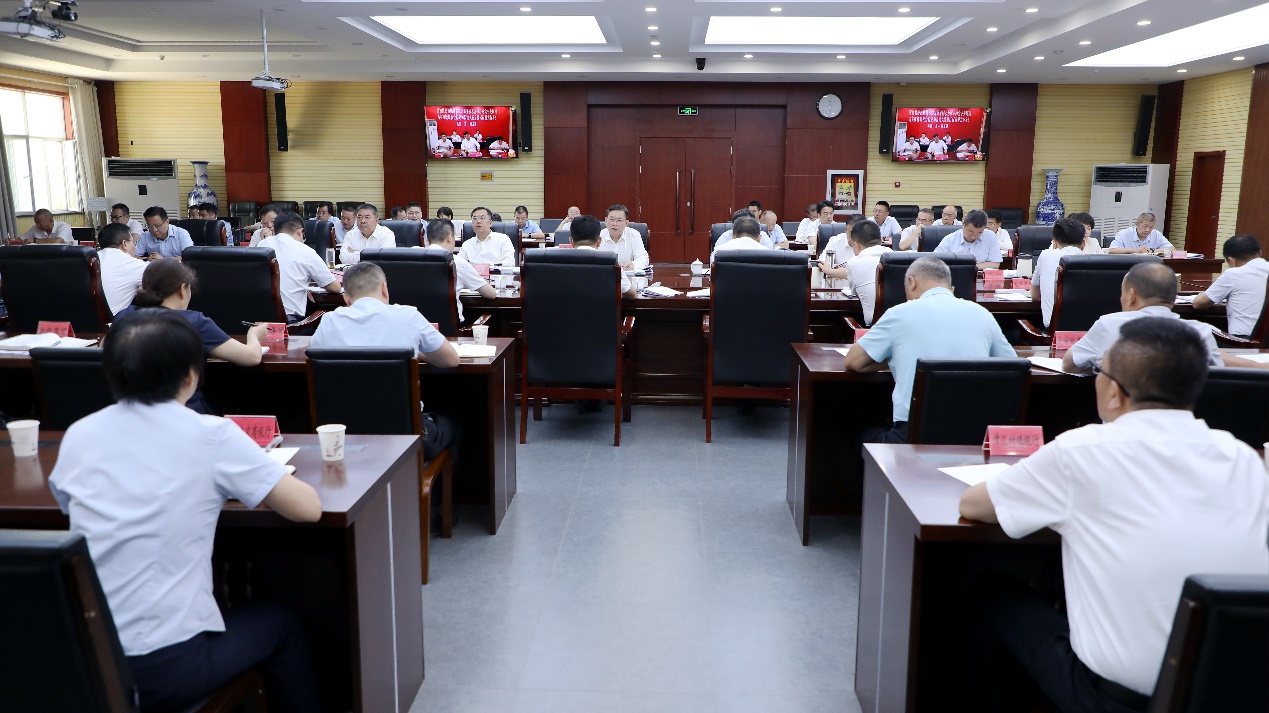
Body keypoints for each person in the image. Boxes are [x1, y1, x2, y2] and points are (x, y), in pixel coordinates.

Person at [958, 317, 1269, 713]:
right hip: (1233, 693)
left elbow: (973, 505)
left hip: (1116, 701)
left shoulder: (1080, 451)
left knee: (993, 592)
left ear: (1115, 393)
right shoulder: (1242, 457)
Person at [50, 308, 323, 713]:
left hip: (88, 660)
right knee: (280, 624)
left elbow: (68, 507)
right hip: (163, 668)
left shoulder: (79, 434)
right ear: (191, 376)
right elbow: (308, 509)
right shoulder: (210, 434)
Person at [845, 257, 1014, 443]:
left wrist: (895, 357)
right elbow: (1011, 368)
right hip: (975, 436)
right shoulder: (983, 314)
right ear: (951, 289)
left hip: (913, 436)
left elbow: (854, 362)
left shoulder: (899, 313)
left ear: (911, 282)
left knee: (855, 433)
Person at [309, 262, 461, 459]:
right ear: (384, 288)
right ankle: (424, 477)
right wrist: (417, 352)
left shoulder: (328, 322)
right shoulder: (408, 316)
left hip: (344, 435)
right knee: (454, 425)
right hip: (405, 435)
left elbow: (312, 353)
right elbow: (451, 359)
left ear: (346, 298)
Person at [115, 260, 269, 413]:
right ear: (183, 289)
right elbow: (252, 357)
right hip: (188, 411)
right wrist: (254, 335)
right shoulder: (194, 322)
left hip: (132, 411)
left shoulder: (123, 317)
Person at [1062, 262, 1233, 373]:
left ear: (1132, 296)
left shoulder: (1109, 325)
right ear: (1173, 298)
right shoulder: (1201, 332)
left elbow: (1069, 364)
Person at [257, 212, 342, 322]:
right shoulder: (306, 251)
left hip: (259, 320)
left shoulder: (262, 245)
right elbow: (335, 287)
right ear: (300, 232)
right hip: (290, 322)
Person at [1192, 234, 1268, 337]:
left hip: (1242, 341)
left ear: (1232, 260)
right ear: (1260, 252)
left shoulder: (1233, 274)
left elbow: (1199, 304)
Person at [422, 218, 495, 322]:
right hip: (449, 327)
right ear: (450, 237)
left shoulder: (412, 258)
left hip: (417, 327)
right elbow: (490, 294)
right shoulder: (457, 262)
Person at [1031, 218, 1087, 328]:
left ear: (1055, 243)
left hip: (1053, 332)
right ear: (1083, 244)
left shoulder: (1046, 255)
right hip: (1086, 332)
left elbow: (1035, 295)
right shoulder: (1092, 261)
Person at [570, 214, 637, 299]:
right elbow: (631, 295)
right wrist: (628, 281)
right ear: (599, 241)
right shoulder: (612, 263)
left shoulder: (558, 261)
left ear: (571, 241)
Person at [843, 220, 892, 326]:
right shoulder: (894, 256)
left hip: (873, 328)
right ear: (880, 240)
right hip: (901, 325)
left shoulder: (853, 263)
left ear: (856, 246)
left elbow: (854, 293)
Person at [96, 223, 148, 315]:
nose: (134, 247)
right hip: (111, 322)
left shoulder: (91, 259)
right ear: (124, 244)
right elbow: (162, 287)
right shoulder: (134, 265)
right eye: (132, 242)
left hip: (76, 321)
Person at [934, 210, 1002, 269]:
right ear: (963, 224)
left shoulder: (990, 237)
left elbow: (995, 263)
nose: (974, 236)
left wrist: (970, 267)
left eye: (979, 232)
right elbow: (935, 262)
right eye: (971, 232)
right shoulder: (950, 239)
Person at [599, 204, 650, 270]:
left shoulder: (634, 235)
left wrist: (634, 265)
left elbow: (643, 258)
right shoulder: (599, 236)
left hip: (627, 274)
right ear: (606, 220)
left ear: (626, 223)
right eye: (611, 219)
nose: (615, 224)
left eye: (619, 220)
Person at [817, 215, 861, 279]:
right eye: (851, 232)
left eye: (858, 233)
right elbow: (822, 262)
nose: (854, 236)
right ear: (846, 230)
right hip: (838, 282)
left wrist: (838, 272)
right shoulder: (835, 241)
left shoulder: (868, 244)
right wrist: (834, 267)